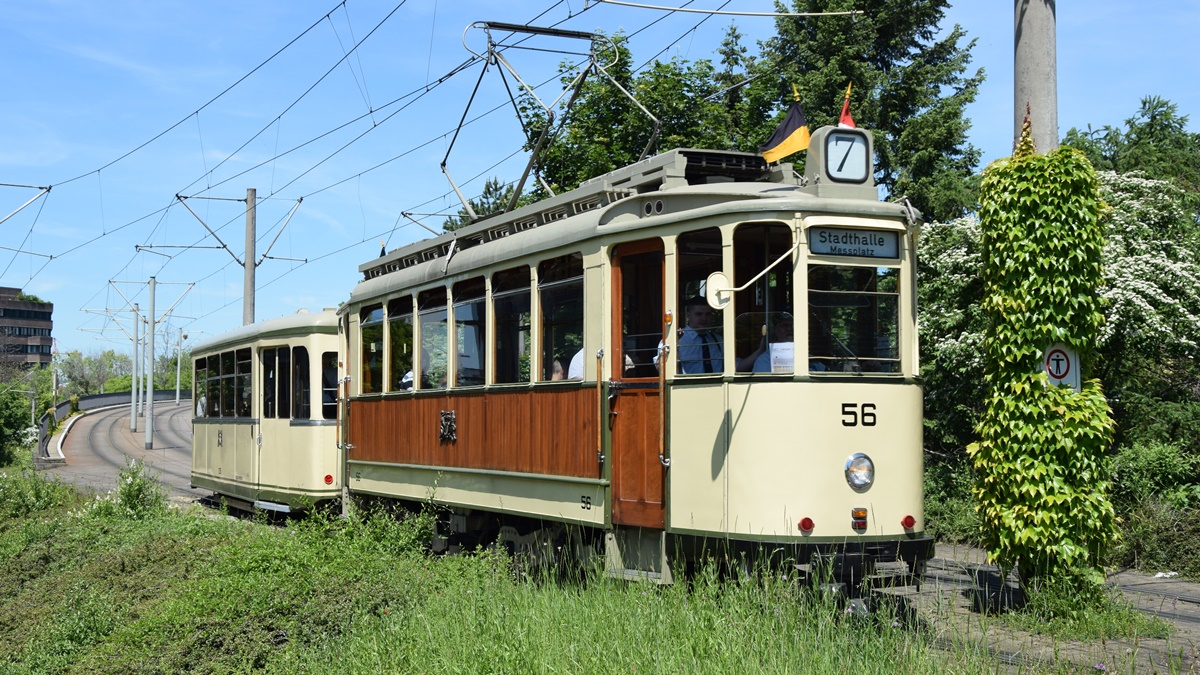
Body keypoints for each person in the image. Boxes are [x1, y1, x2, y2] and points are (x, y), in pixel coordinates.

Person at [656, 296, 723, 374]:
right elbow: (661, 368)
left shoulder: (717, 340)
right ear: (688, 315)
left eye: (708, 314)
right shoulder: (676, 338)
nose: (704, 318)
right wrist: (674, 345)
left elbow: (733, 364)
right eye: (699, 314)